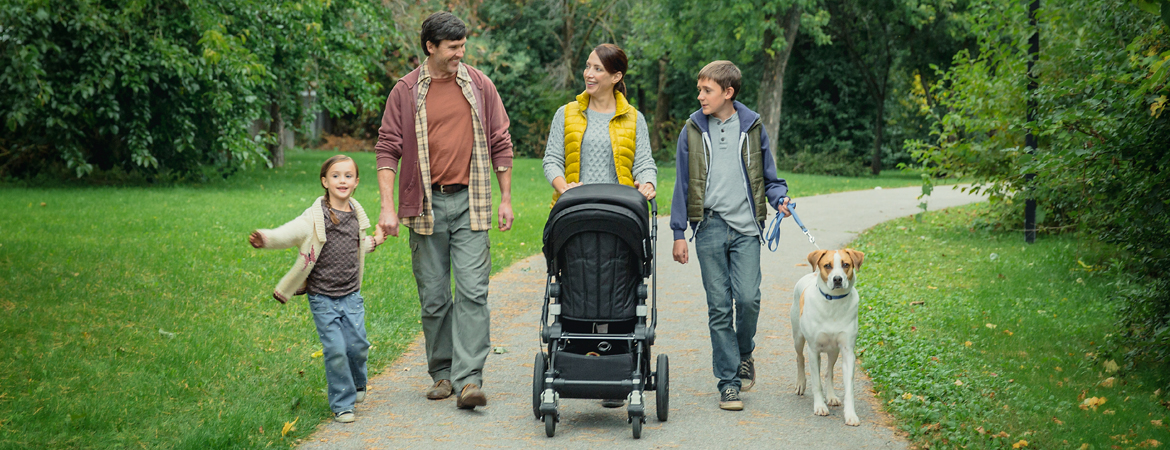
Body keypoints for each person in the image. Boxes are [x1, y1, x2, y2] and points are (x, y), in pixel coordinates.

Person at [373, 11, 514, 410]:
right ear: (430, 47)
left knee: (473, 292)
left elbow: (501, 141)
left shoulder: (480, 85)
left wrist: (505, 198)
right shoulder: (405, 91)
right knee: (434, 297)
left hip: (471, 200)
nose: (460, 53)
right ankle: (442, 373)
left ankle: (470, 380)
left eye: (462, 46)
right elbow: (387, 150)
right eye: (453, 47)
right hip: (425, 205)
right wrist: (388, 208)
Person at [669, 60, 791, 411]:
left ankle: (744, 352)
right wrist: (679, 231)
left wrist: (779, 198)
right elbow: (682, 183)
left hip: (746, 228)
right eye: (700, 89)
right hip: (708, 226)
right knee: (719, 306)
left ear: (728, 92)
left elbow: (769, 175)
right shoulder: (692, 129)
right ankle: (728, 381)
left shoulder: (752, 126)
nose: (700, 96)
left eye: (707, 90)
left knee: (749, 298)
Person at [248, 155, 385, 423]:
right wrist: (266, 238)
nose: (342, 180)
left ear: (356, 181)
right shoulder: (314, 217)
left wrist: (377, 239)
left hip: (351, 296)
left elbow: (357, 248)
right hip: (323, 298)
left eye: (348, 175)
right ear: (324, 181)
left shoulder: (356, 215)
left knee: (357, 346)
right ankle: (342, 404)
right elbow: (289, 233)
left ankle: (358, 383)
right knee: (335, 350)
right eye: (335, 175)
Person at [542, 43, 656, 203]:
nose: (588, 74)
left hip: (620, 208)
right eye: (587, 66)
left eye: (598, 69)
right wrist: (564, 188)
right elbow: (552, 159)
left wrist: (648, 184)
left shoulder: (634, 118)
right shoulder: (565, 113)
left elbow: (644, 163)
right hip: (574, 206)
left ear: (616, 77)